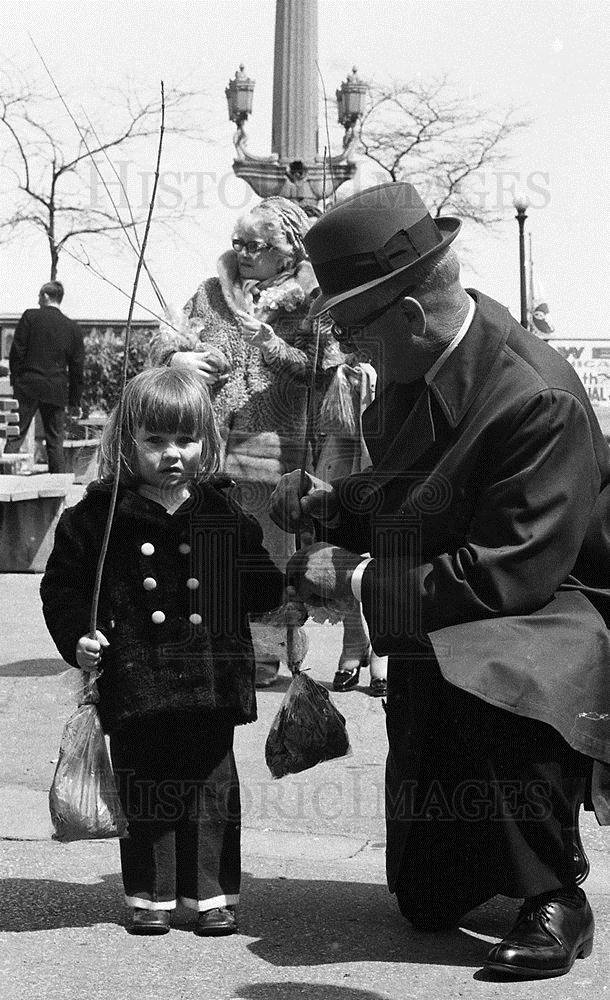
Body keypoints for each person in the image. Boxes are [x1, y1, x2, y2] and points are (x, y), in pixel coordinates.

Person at [269, 181, 610, 979]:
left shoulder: (538, 397)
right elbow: (418, 495)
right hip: (469, 587)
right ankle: (486, 852)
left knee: (493, 658)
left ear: (412, 318)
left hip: (554, 605)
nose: (349, 350)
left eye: (355, 332)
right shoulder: (417, 366)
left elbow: (508, 575)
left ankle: (556, 891)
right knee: (426, 899)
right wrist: (332, 507)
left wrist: (352, 584)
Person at [40, 367, 285, 937]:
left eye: (186, 439)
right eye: (155, 441)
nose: (172, 454)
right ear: (126, 441)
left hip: (210, 676)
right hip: (136, 672)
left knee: (210, 785)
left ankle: (210, 895)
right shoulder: (98, 518)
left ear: (208, 442)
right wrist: (78, 635)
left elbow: (263, 589)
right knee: (144, 782)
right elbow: (63, 587)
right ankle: (150, 892)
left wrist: (274, 561)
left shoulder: (223, 513)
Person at [149, 196, 383, 691]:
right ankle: (207, 643)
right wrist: (177, 361)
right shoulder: (211, 293)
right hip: (206, 443)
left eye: (256, 245)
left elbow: (324, 371)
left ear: (288, 249)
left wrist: (270, 346)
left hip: (273, 447)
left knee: (266, 553)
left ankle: (263, 654)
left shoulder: (314, 300)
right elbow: (164, 340)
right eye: (238, 243)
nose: (243, 253)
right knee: (207, 546)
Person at [5, 281, 84, 472]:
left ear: (46, 296)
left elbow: (17, 352)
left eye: (39, 296)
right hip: (55, 390)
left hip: (27, 386)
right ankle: (58, 492)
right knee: (55, 442)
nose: (38, 300)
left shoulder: (30, 317)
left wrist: (16, 381)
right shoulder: (72, 327)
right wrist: (75, 401)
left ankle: (2, 481)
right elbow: (77, 368)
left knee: (15, 436)